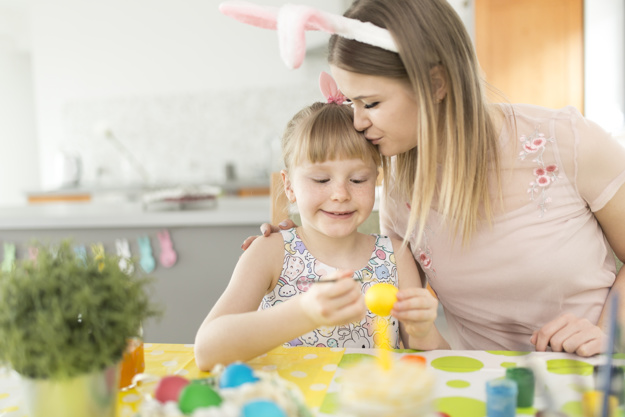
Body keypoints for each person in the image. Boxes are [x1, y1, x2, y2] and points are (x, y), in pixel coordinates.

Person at [235, 0, 625, 357]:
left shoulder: (568, 142)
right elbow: (394, 293)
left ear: (436, 84)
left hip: (597, 376)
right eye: (351, 101)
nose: (357, 121)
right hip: (478, 386)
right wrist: (297, 244)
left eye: (370, 103)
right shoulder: (401, 190)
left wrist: (610, 334)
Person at [194, 75, 442, 371]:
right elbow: (207, 350)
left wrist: (424, 330)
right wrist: (304, 312)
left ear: (375, 180)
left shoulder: (397, 256)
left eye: (358, 179)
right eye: (321, 179)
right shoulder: (270, 252)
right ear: (289, 186)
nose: (340, 194)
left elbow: (435, 360)